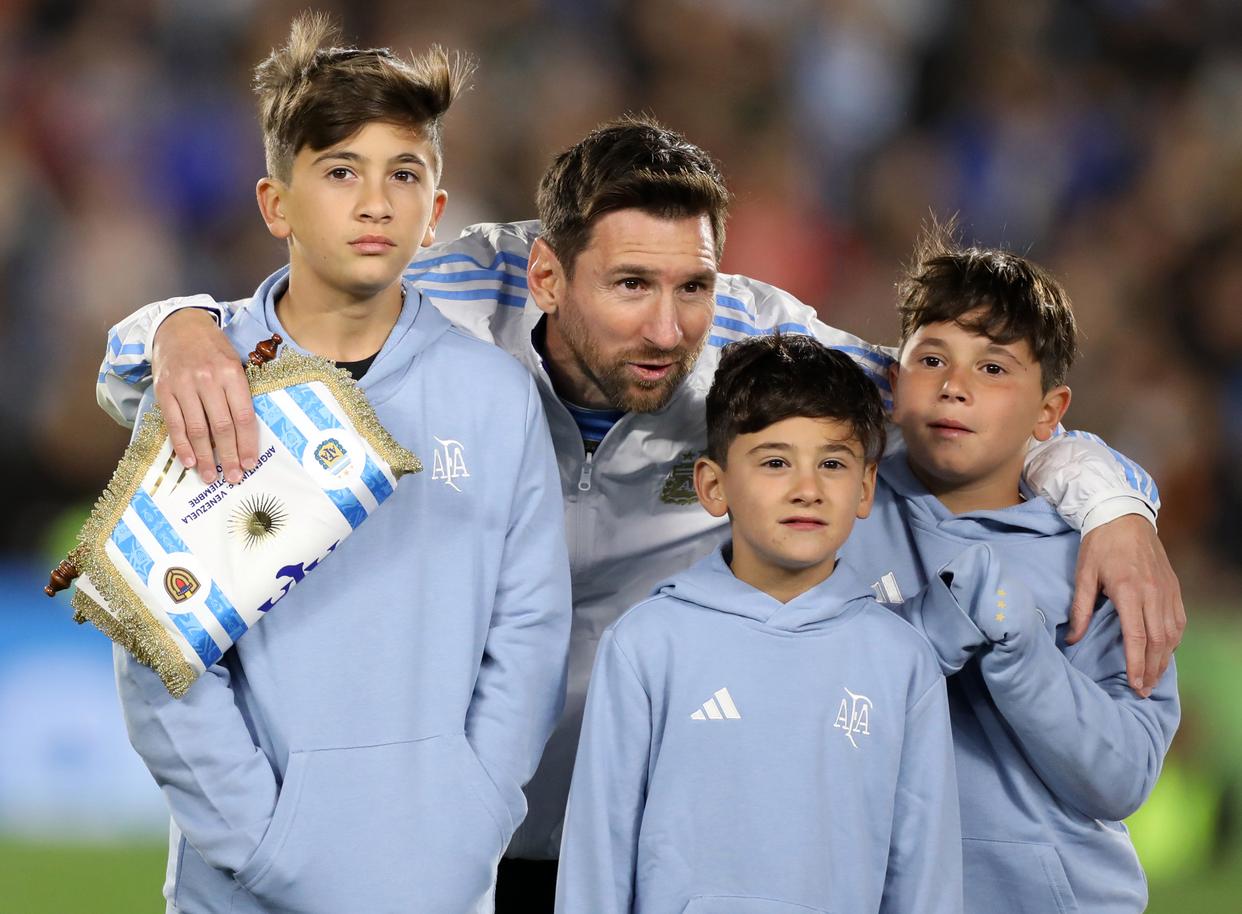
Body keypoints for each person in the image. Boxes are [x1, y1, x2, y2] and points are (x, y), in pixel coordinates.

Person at [96, 117, 1181, 906]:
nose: (670, 328)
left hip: (634, 835)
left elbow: (962, 408)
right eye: (630, 287)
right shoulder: (443, 308)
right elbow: (171, 359)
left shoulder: (757, 342)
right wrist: (183, 326)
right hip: (433, 830)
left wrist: (1114, 505)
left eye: (693, 285)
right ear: (547, 274)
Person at [112, 15, 571, 913]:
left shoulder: (495, 396)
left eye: (405, 173)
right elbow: (160, 659)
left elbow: (530, 634)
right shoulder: (204, 383)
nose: (376, 203)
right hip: (242, 888)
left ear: (435, 210)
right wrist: (267, 847)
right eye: (339, 171)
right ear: (275, 204)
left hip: (439, 882)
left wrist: (474, 818)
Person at [557, 334, 964, 913]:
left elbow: (925, 878)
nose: (808, 490)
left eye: (832, 464)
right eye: (775, 462)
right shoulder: (647, 645)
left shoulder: (903, 660)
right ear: (713, 485)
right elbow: (597, 861)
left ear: (865, 487)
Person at [843, 226, 1180, 912]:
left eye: (993, 368)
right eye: (931, 358)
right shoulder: (832, 512)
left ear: (1049, 413)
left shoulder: (1100, 555)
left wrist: (1024, 656)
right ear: (894, 381)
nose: (955, 387)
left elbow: (1124, 777)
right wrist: (921, 634)